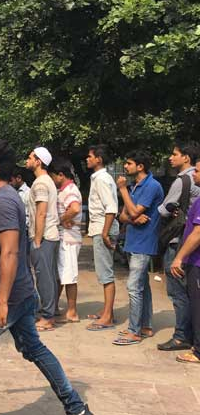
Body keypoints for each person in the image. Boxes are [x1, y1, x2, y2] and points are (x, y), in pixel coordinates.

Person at [0, 139, 91, 415]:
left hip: (5, 294)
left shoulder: (2, 201)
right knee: (33, 347)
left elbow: (10, 252)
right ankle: (76, 408)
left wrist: (1, 301)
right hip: (20, 291)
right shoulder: (2, 197)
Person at [113, 150, 164, 346]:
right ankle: (145, 326)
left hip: (144, 242)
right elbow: (124, 215)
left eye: (129, 163)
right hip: (133, 241)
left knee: (133, 287)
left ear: (140, 166)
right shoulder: (134, 186)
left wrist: (123, 190)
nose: (125, 167)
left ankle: (134, 331)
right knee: (143, 286)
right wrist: (133, 218)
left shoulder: (152, 186)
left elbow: (133, 211)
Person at [158, 142, 200, 352]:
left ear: (186, 158)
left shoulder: (183, 180)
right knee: (189, 292)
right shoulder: (194, 181)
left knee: (177, 291)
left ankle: (182, 335)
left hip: (179, 242)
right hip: (189, 243)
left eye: (175, 154)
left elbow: (163, 210)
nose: (170, 157)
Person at [167, 157, 200, 364]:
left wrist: (179, 257)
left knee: (197, 305)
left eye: (197, 171)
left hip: (197, 262)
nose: (194, 174)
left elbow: (198, 233)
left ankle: (198, 350)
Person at [25, 146, 61, 332]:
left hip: (44, 236)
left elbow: (41, 213)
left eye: (30, 157)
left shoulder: (40, 183)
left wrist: (37, 240)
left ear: (38, 161)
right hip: (50, 235)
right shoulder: (47, 181)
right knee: (49, 276)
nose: (27, 160)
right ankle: (49, 312)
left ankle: (48, 317)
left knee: (44, 277)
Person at [84, 144, 120, 332]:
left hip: (102, 228)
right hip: (100, 228)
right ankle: (107, 311)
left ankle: (108, 317)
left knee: (106, 274)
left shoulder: (102, 179)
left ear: (99, 159)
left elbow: (111, 208)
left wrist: (105, 233)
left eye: (90, 156)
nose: (87, 159)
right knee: (103, 273)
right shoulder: (99, 178)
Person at [50, 157, 83, 324]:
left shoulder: (70, 190)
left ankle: (72, 311)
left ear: (60, 175)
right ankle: (54, 306)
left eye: (53, 176)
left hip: (69, 239)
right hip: (65, 237)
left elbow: (75, 208)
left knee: (69, 275)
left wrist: (61, 219)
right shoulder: (64, 190)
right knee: (61, 274)